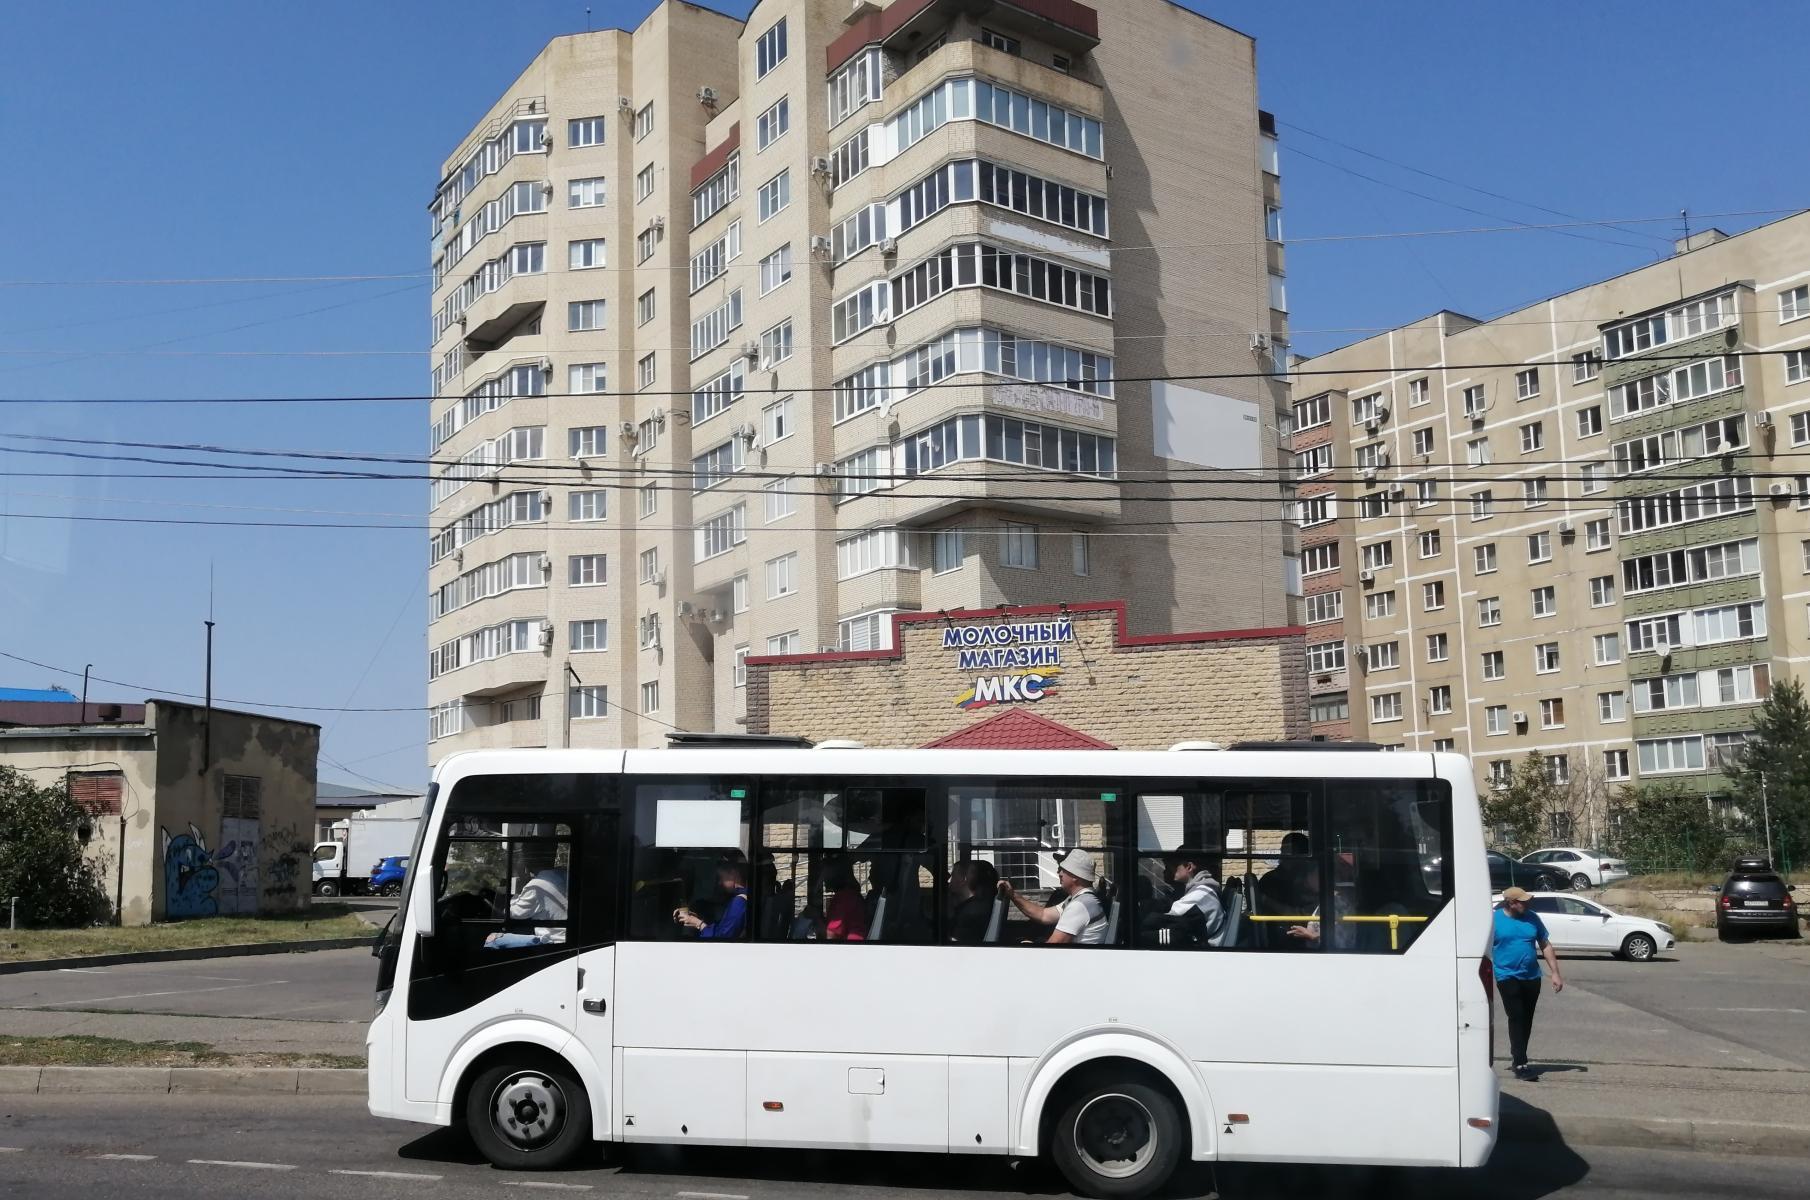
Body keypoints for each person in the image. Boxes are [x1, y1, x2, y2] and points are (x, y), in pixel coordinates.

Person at [1493, 886, 1563, 1080]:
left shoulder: (1532, 918)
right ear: (1511, 903)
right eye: (1523, 901)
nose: (1527, 904)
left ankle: (1519, 1055)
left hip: (1532, 976)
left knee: (1527, 1019)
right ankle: (1520, 1062)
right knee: (1516, 1016)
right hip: (1506, 975)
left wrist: (1555, 973)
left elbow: (1545, 945)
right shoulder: (1494, 919)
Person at [998, 848, 1107, 945]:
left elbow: (1054, 947)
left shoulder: (1080, 905)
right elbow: (1043, 915)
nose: (1059, 873)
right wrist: (1012, 894)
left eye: (1063, 870)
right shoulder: (1081, 899)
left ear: (1075, 876)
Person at [1141, 852, 1224, 947]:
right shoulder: (1202, 888)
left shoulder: (1199, 895)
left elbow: (1165, 917)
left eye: (1174, 866)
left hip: (1207, 948)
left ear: (1189, 867)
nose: (1170, 870)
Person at [485, 859, 569, 950]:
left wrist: (503, 907)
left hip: (556, 941)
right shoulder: (562, 874)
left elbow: (515, 913)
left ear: (526, 867)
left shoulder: (536, 885)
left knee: (493, 940)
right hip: (567, 935)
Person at [675, 858, 750, 940]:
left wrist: (698, 923)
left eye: (721, 878)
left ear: (733, 874)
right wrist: (694, 918)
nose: (719, 882)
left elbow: (723, 938)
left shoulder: (739, 902)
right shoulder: (738, 899)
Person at [946, 859, 1001, 943]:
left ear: (964, 879)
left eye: (953, 875)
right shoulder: (982, 904)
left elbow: (954, 945)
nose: (949, 880)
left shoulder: (970, 913)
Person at [823, 858, 868, 942]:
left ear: (836, 874)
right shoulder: (850, 894)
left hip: (850, 948)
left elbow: (831, 934)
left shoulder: (845, 897)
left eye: (826, 874)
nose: (824, 879)